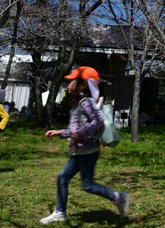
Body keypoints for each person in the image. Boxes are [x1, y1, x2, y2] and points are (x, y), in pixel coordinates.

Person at [38, 66, 129, 224]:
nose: (68, 84)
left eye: (72, 81)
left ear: (83, 85)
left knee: (87, 185)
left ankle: (119, 198)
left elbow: (98, 120)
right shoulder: (78, 103)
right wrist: (60, 132)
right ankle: (60, 212)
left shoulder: (86, 102)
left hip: (88, 152)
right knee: (62, 178)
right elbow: (75, 130)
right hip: (80, 151)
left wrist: (82, 133)